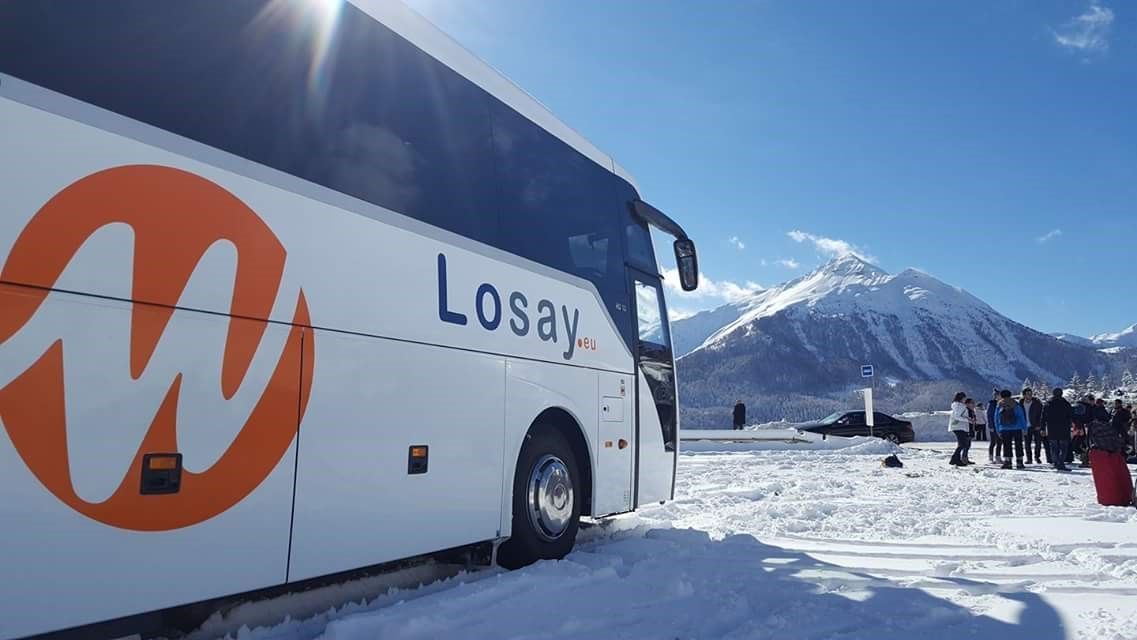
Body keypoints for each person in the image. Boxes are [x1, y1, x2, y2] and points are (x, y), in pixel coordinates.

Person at [994, 389, 1028, 469]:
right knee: (1018, 445)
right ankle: (1019, 462)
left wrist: (998, 429)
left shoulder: (999, 405)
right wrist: (1024, 428)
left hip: (1004, 428)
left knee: (1007, 445)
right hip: (1017, 428)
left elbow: (996, 418)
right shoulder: (1016, 404)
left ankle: (1008, 462)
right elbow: (1021, 416)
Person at [1041, 387, 1072, 471]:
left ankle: (1056, 462)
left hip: (1052, 428)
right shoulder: (1066, 404)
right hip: (1064, 428)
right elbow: (1071, 416)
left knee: (1054, 447)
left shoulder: (1048, 404)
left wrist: (1043, 428)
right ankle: (1061, 463)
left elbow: (1043, 417)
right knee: (1064, 447)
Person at [1020, 387, 1046, 464]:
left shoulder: (1037, 403)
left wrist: (1039, 425)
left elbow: (1041, 414)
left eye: (1030, 394)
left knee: (1038, 443)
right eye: (1027, 394)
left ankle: (1037, 457)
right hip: (1026, 426)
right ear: (1024, 395)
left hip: (1036, 426)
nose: (1029, 395)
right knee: (1027, 444)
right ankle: (1029, 459)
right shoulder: (1020, 403)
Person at [948, 392, 973, 466]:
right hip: (959, 427)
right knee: (962, 444)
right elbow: (957, 416)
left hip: (957, 426)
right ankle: (954, 459)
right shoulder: (960, 406)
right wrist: (968, 420)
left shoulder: (957, 405)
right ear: (962, 398)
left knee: (962, 444)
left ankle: (956, 459)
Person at [987, 388, 1003, 464]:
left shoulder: (1002, 403)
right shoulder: (992, 404)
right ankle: (991, 457)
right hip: (993, 426)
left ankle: (998, 457)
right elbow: (989, 415)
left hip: (1000, 426)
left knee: (999, 442)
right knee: (993, 442)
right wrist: (991, 426)